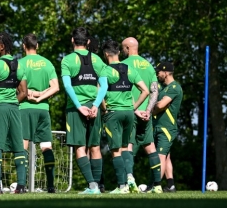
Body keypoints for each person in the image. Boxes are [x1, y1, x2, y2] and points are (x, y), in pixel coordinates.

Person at [60, 27, 109, 194]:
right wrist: (95, 105)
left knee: (80, 147)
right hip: (94, 107)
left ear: (73, 40)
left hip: (76, 109)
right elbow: (104, 86)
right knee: (95, 146)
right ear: (88, 42)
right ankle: (97, 186)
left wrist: (79, 106)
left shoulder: (67, 60)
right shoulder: (97, 60)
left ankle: (92, 186)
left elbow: (67, 86)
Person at [101, 40, 149, 194]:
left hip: (113, 113)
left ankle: (122, 186)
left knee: (115, 150)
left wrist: (104, 108)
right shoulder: (130, 69)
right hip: (129, 113)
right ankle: (130, 178)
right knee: (126, 147)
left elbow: (100, 93)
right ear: (119, 53)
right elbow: (145, 90)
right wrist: (134, 107)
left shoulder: (105, 71)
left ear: (106, 54)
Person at [0, 32, 29, 194]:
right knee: (18, 146)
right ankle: (21, 186)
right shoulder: (19, 66)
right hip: (14, 109)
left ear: (2, 47)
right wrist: (12, 102)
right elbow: (24, 92)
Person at [18, 34, 59, 193]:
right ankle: (50, 185)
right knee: (46, 146)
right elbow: (55, 87)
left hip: (24, 109)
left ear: (23, 46)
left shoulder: (20, 63)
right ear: (38, 46)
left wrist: (31, 94)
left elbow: (18, 88)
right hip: (43, 109)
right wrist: (40, 96)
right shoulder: (47, 63)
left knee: (23, 146)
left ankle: (21, 185)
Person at [120, 37, 163, 192]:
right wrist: (148, 111)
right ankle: (158, 186)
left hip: (131, 112)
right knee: (150, 147)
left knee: (127, 146)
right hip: (146, 114)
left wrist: (135, 109)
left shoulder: (123, 65)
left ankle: (130, 181)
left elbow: (122, 89)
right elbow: (154, 91)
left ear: (126, 48)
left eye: (122, 48)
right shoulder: (149, 66)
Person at [152, 62, 183, 193]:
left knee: (160, 155)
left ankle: (156, 185)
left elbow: (160, 105)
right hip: (160, 126)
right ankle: (170, 185)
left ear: (165, 73)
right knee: (166, 156)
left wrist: (151, 109)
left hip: (166, 128)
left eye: (159, 72)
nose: (157, 74)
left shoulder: (174, 87)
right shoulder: (165, 88)